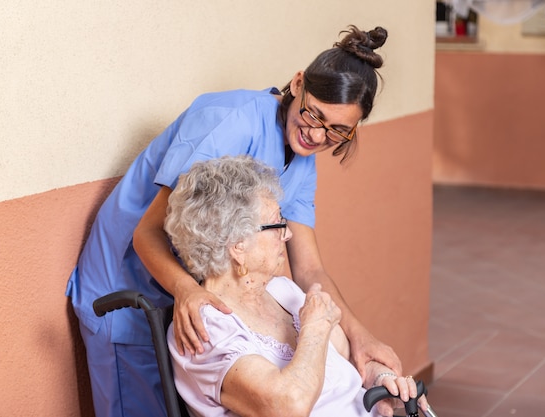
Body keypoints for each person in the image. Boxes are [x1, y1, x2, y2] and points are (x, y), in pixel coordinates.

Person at [66, 24, 401, 416]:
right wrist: (186, 290)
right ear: (297, 83)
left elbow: (309, 268)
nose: (316, 134)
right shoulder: (229, 121)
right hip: (126, 284)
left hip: (196, 293)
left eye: (337, 132)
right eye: (314, 115)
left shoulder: (302, 159)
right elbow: (147, 232)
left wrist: (361, 338)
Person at [164, 155, 428, 417]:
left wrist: (382, 378)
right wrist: (314, 328)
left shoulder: (282, 291)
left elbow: (350, 358)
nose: (288, 234)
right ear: (238, 245)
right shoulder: (205, 329)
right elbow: (287, 408)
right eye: (278, 224)